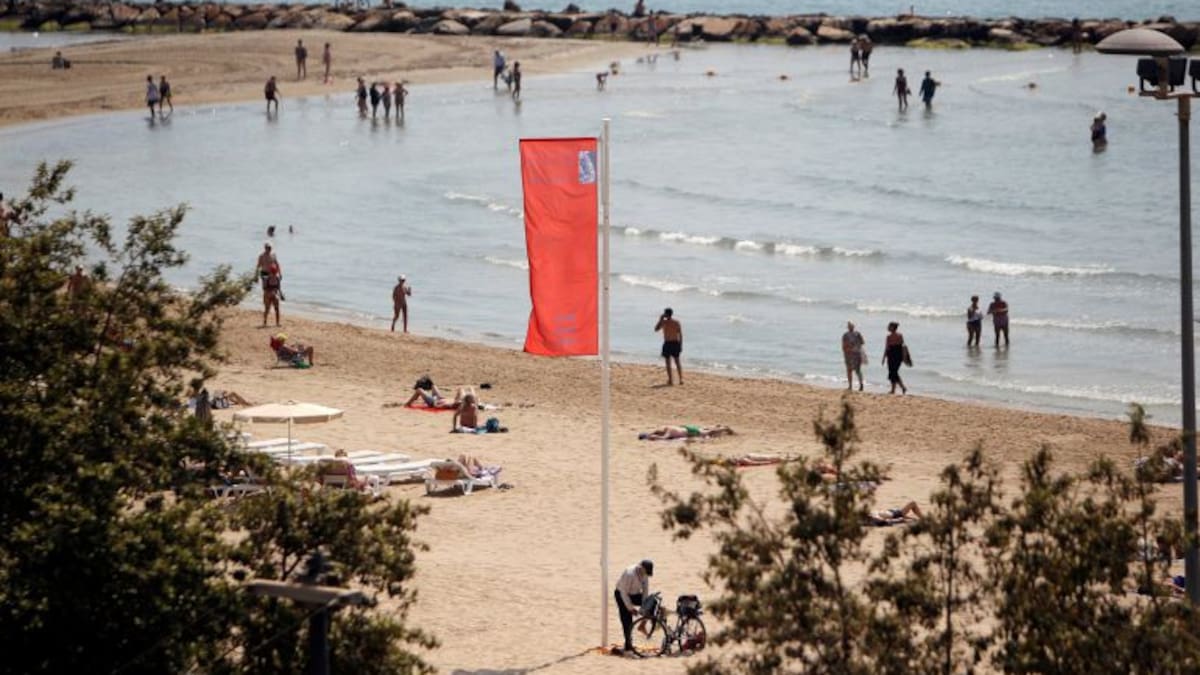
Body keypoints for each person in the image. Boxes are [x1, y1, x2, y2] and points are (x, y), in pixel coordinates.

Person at [614, 559, 653, 655]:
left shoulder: (645, 575)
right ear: (641, 568)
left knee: (652, 602)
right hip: (621, 594)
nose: (645, 575)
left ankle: (642, 625)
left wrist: (644, 607)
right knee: (627, 620)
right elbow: (623, 593)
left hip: (635, 594)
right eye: (645, 572)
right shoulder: (629, 573)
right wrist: (630, 608)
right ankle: (628, 646)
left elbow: (645, 592)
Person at [654, 307, 683, 385]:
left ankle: (672, 380)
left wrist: (660, 319)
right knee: (677, 362)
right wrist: (681, 345)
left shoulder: (664, 322)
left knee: (669, 362)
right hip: (674, 343)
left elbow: (656, 329)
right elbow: (680, 335)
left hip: (669, 343)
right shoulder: (675, 322)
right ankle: (679, 379)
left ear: (666, 314)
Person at [881, 321, 908, 395]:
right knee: (893, 372)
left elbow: (887, 348)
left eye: (889, 326)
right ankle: (898, 388)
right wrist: (904, 357)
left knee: (893, 372)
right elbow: (902, 346)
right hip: (896, 355)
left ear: (893, 328)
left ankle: (898, 388)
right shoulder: (898, 336)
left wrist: (883, 358)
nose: (888, 327)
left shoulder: (890, 337)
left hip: (893, 355)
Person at [842, 321, 865, 391]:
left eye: (850, 326)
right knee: (853, 370)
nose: (850, 327)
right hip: (852, 354)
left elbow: (862, 342)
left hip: (853, 354)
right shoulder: (847, 335)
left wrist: (851, 346)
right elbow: (862, 342)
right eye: (850, 326)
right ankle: (853, 385)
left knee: (854, 370)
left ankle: (857, 385)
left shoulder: (852, 334)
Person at [639, 425, 734, 440]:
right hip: (687, 429)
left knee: (707, 433)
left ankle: (724, 428)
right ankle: (719, 427)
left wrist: (655, 437)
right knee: (706, 432)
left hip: (689, 431)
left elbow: (665, 438)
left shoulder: (669, 430)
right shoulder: (668, 428)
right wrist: (651, 435)